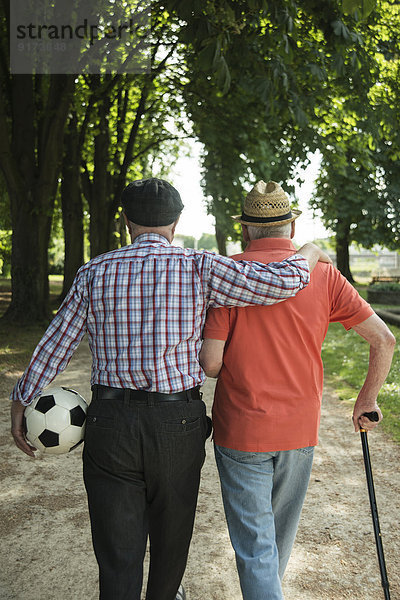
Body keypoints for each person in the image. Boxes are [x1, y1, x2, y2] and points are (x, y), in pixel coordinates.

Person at [11, 178, 331, 600]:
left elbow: (57, 343)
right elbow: (282, 283)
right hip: (177, 422)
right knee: (171, 538)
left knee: (117, 551)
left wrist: (22, 396)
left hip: (110, 423)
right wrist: (308, 251)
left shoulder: (95, 272)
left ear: (126, 221)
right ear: (176, 222)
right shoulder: (200, 266)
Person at [199, 180, 396, 600]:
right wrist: (367, 399)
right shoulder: (324, 275)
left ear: (247, 230)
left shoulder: (229, 274)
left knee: (256, 549)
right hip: (299, 431)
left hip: (241, 429)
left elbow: (211, 364)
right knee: (274, 546)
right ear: (290, 226)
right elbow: (384, 339)